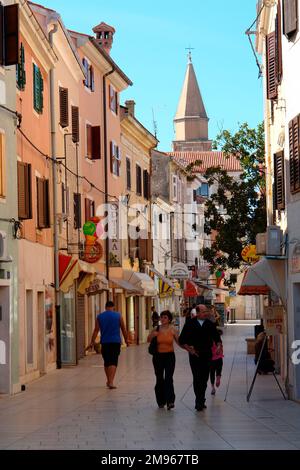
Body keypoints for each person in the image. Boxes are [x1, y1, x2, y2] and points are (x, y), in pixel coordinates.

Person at [179, 304, 222, 411]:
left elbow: (217, 338)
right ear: (197, 313)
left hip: (207, 354)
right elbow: (182, 340)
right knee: (197, 377)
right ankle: (198, 401)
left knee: (204, 378)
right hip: (195, 354)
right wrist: (189, 349)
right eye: (203, 312)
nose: (205, 313)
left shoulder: (210, 324)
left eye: (206, 311)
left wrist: (218, 346)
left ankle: (201, 399)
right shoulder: (190, 324)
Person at [86, 300, 129, 389]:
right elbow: (123, 329)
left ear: (105, 307)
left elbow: (96, 330)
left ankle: (109, 380)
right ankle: (111, 382)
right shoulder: (118, 315)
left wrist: (92, 342)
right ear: (113, 307)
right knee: (113, 361)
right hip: (115, 342)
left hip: (105, 342)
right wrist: (126, 340)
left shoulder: (100, 316)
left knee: (107, 362)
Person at [147, 310, 180, 410]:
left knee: (169, 378)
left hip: (170, 356)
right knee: (159, 378)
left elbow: (179, 342)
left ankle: (170, 401)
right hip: (158, 357)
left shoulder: (173, 329)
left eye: (165, 317)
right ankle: (161, 401)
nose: (162, 319)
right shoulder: (156, 329)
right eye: (161, 317)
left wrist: (189, 349)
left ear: (169, 319)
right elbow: (148, 340)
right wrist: (152, 335)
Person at [210, 330, 224, 395]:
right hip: (219, 359)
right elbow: (221, 351)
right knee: (219, 370)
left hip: (211, 360)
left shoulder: (209, 341)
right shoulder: (219, 342)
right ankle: (218, 378)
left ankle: (213, 387)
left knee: (212, 373)